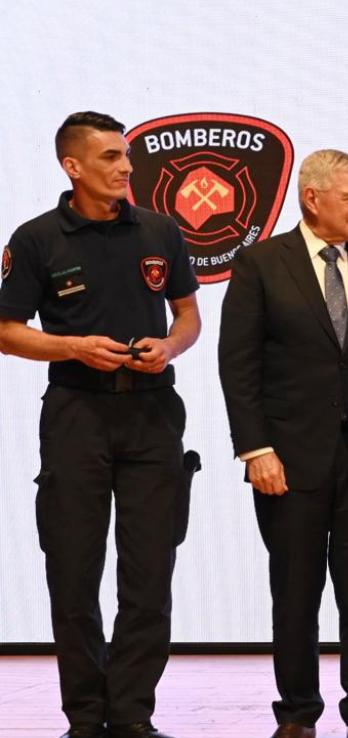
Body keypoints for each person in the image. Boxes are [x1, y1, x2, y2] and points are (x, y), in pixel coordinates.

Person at [0, 111, 201, 738]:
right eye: (112, 157)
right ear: (74, 166)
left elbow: (189, 315)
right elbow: (5, 331)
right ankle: (86, 718)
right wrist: (72, 347)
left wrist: (170, 347)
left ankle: (134, 716)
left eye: (126, 157)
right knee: (73, 570)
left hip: (152, 415)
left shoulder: (162, 231)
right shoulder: (36, 239)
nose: (125, 168)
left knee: (149, 575)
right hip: (76, 415)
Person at [218, 149, 348, 738]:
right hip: (287, 458)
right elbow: (239, 365)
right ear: (313, 198)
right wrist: (255, 449)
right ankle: (297, 713)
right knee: (295, 588)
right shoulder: (260, 263)